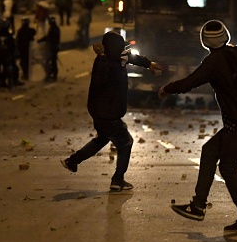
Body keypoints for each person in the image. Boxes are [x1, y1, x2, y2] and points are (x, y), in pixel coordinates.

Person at [159, 20, 237, 232]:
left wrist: (167, 88)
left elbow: (189, 83)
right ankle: (198, 205)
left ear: (205, 42)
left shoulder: (213, 62)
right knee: (209, 151)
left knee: (227, 168)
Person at [60, 30, 162, 192]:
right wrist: (103, 58)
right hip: (107, 114)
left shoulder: (118, 58)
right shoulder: (104, 64)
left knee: (102, 139)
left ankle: (73, 161)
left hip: (102, 113)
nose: (124, 50)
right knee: (126, 143)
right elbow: (101, 81)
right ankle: (118, 179)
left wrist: (149, 64)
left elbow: (133, 58)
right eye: (120, 47)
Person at [37, 15, 61, 82]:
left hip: (53, 47)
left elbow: (48, 37)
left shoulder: (54, 30)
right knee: (52, 61)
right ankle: (52, 74)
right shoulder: (55, 29)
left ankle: (51, 74)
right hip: (54, 47)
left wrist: (41, 40)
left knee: (51, 61)